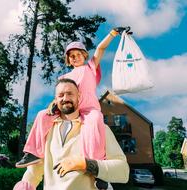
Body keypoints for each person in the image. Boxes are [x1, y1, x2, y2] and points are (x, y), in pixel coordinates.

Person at [16, 27, 132, 168]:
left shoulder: (89, 68)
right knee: (42, 115)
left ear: (84, 56)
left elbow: (100, 49)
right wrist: (54, 103)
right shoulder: (65, 77)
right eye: (72, 56)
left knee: (95, 120)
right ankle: (33, 153)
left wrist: (113, 33)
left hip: (88, 107)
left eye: (78, 54)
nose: (76, 57)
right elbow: (60, 94)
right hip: (69, 107)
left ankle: (95, 164)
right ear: (68, 60)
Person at [13, 79, 129, 190]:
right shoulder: (46, 129)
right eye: (61, 95)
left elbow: (123, 172)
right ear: (56, 99)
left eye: (70, 94)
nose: (65, 98)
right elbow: (33, 174)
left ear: (79, 96)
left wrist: (84, 163)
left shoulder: (97, 127)